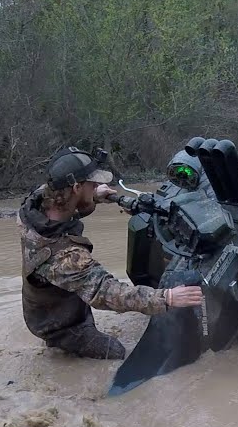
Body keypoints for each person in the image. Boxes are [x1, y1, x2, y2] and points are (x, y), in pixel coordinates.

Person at [18, 146, 204, 359]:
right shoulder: (64, 258)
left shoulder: (32, 206)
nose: (97, 185)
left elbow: (59, 197)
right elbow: (109, 293)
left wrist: (93, 196)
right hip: (59, 325)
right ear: (77, 187)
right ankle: (60, 347)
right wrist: (166, 298)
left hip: (42, 306)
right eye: (92, 183)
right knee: (116, 354)